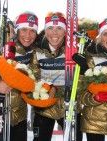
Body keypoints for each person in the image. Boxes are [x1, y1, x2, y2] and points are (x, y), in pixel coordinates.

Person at [31, 12, 82, 141]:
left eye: (59, 28)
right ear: (45, 31)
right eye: (50, 28)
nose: (54, 33)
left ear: (65, 32)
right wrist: (46, 88)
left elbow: (83, 78)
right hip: (44, 108)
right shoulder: (37, 50)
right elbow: (33, 77)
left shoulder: (74, 49)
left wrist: (83, 68)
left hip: (69, 105)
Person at [0, 11, 38, 141]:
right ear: (16, 30)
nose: (28, 35)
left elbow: (36, 78)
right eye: (23, 29)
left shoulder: (33, 53)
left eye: (32, 31)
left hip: (18, 118)